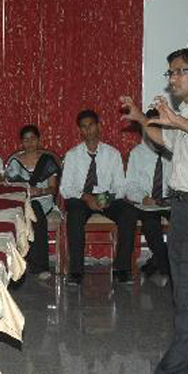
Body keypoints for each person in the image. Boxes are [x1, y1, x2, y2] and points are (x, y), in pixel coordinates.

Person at [121, 47, 188, 374]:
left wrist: (176, 121)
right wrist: (142, 121)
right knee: (182, 299)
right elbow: (166, 142)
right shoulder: (184, 113)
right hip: (181, 208)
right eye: (170, 72)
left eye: (179, 71)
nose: (172, 78)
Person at [60, 109, 137, 285]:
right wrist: (87, 198)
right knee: (75, 215)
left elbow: (120, 187)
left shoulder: (113, 153)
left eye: (91, 125)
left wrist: (102, 199)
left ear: (99, 126)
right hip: (80, 198)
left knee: (129, 213)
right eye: (84, 127)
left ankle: (122, 269)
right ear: (80, 130)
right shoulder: (72, 155)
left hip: (106, 197)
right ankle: (76, 271)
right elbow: (65, 188)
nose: (88, 130)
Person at [5, 125, 61, 280]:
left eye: (33, 139)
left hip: (43, 200)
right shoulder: (15, 163)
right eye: (26, 139)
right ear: (21, 142)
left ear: (38, 140)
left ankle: (40, 266)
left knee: (35, 208)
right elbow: (10, 188)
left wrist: (40, 191)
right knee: (28, 208)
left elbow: (53, 189)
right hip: (21, 201)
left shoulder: (47, 161)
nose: (29, 142)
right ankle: (14, 263)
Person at [125, 130, 172, 287]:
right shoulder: (137, 153)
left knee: (181, 223)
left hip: (170, 201)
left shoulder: (173, 150)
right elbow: (130, 186)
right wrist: (143, 198)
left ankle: (156, 261)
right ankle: (167, 267)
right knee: (151, 225)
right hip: (147, 202)